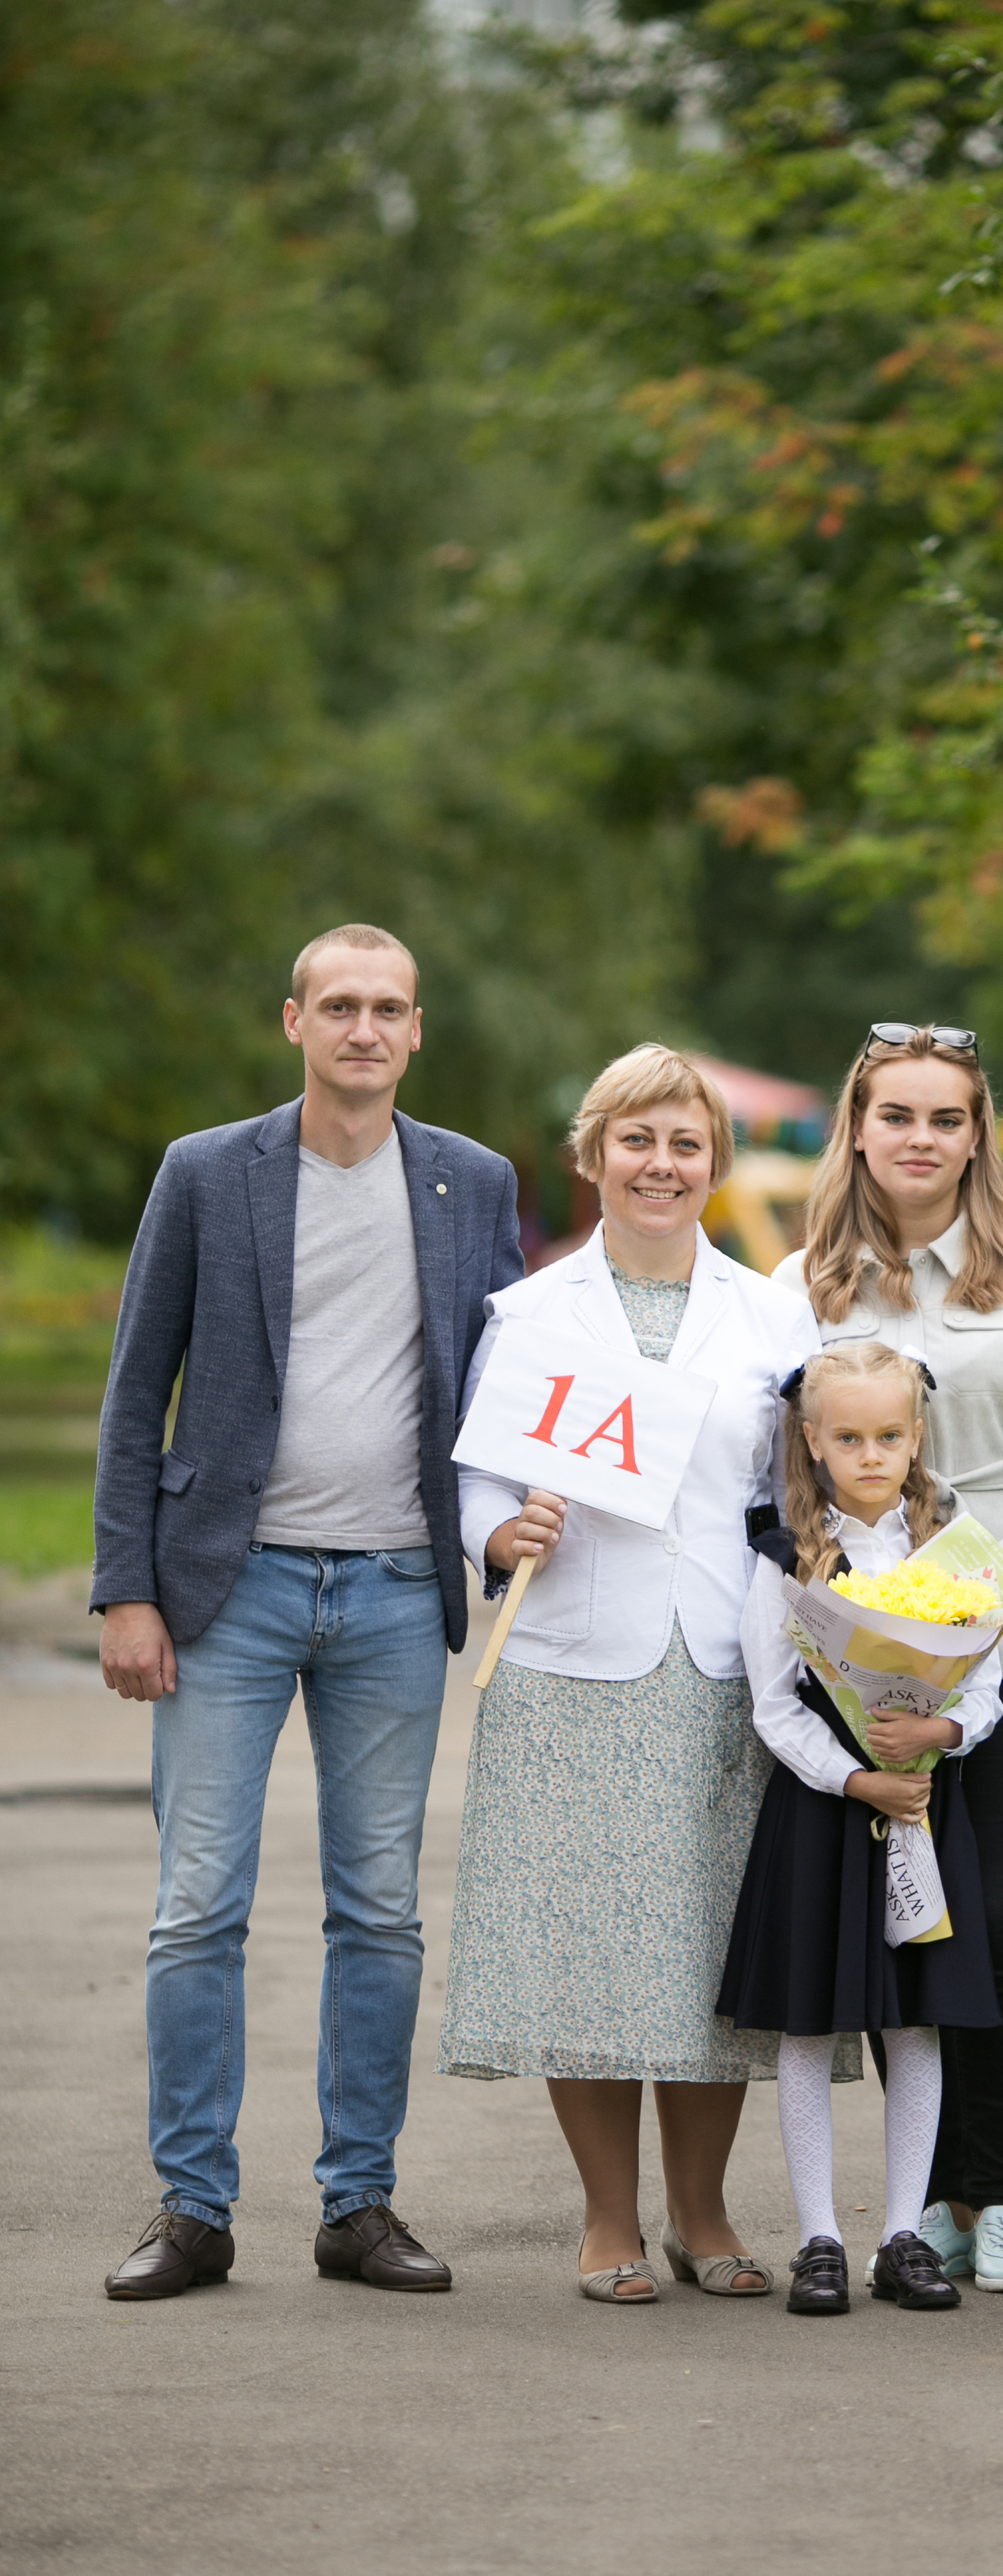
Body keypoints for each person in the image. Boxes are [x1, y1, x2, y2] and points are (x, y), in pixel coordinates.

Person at [93, 924, 523, 2302]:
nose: (362, 1029)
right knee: (197, 1909)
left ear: (416, 1029)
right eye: (338, 1005)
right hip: (230, 1586)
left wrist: (516, 1536)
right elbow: (133, 1386)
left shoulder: (473, 1182)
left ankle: (358, 2204)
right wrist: (126, 1588)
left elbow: (510, 1389)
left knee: (380, 1913)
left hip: (398, 1588)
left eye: (387, 1008)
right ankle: (193, 2209)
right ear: (294, 1021)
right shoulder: (210, 1174)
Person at [440, 1043, 824, 2304]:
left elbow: (797, 1485)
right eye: (637, 1142)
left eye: (685, 1145)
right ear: (593, 1157)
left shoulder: (773, 1314)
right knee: (587, 1947)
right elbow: (477, 1473)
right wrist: (501, 1534)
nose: (662, 1166)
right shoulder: (531, 1312)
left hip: (722, 1664)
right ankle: (608, 2220)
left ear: (712, 1164)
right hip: (571, 1669)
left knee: (706, 1950)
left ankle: (704, 2218)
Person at [777, 1024, 1003, 2295]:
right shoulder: (810, 1285)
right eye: (897, 1116)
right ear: (859, 1130)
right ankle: (923, 2202)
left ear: (978, 1133)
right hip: (872, 1672)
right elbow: (764, 1472)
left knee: (995, 1920)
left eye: (946, 1118)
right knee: (906, 1933)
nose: (921, 1139)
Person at [718, 1343, 1003, 2315]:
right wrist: (854, 1779)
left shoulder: (951, 1546)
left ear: (916, 1436)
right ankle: (821, 2239)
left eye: (890, 1435)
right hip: (828, 1810)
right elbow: (773, 1704)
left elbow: (989, 1678)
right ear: (814, 1442)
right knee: (812, 2020)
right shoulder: (786, 1553)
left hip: (925, 1802)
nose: (872, 1453)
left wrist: (943, 1731)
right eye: (850, 1437)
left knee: (914, 2019)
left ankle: (901, 2236)